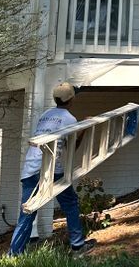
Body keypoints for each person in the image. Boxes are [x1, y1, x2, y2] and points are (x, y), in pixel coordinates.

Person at [8, 82, 96, 256]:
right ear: (71, 99)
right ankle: (78, 246)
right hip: (51, 170)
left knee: (27, 211)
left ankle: (14, 254)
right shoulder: (70, 119)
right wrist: (84, 129)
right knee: (70, 203)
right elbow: (72, 148)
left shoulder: (46, 115)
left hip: (31, 167)